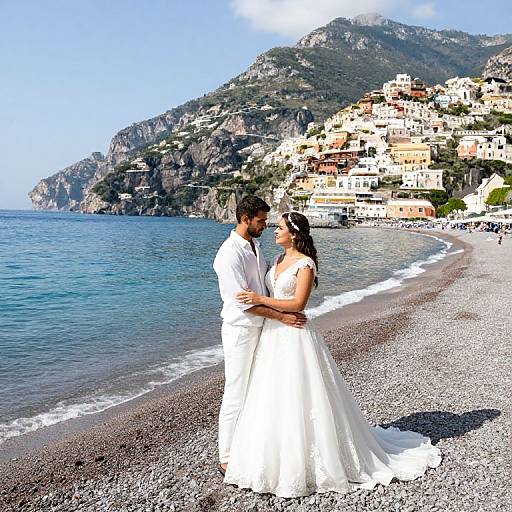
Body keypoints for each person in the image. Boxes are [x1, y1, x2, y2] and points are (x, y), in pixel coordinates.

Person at [223, 211, 441, 498]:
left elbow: (298, 302)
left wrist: (259, 299)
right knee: (271, 394)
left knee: (302, 395)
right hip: (272, 335)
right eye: (273, 226)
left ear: (294, 234)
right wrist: (269, 310)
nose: (275, 231)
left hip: (295, 335)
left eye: (280, 228)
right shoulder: (275, 260)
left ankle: (311, 461)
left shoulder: (306, 264)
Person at [213, 196, 307, 478]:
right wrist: (282, 316)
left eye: (268, 222)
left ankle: (250, 446)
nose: (266, 226)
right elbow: (241, 301)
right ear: (245, 219)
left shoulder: (255, 246)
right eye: (261, 221)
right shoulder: (228, 254)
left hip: (262, 328)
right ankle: (226, 457)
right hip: (241, 330)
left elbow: (266, 286)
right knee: (236, 391)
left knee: (257, 391)